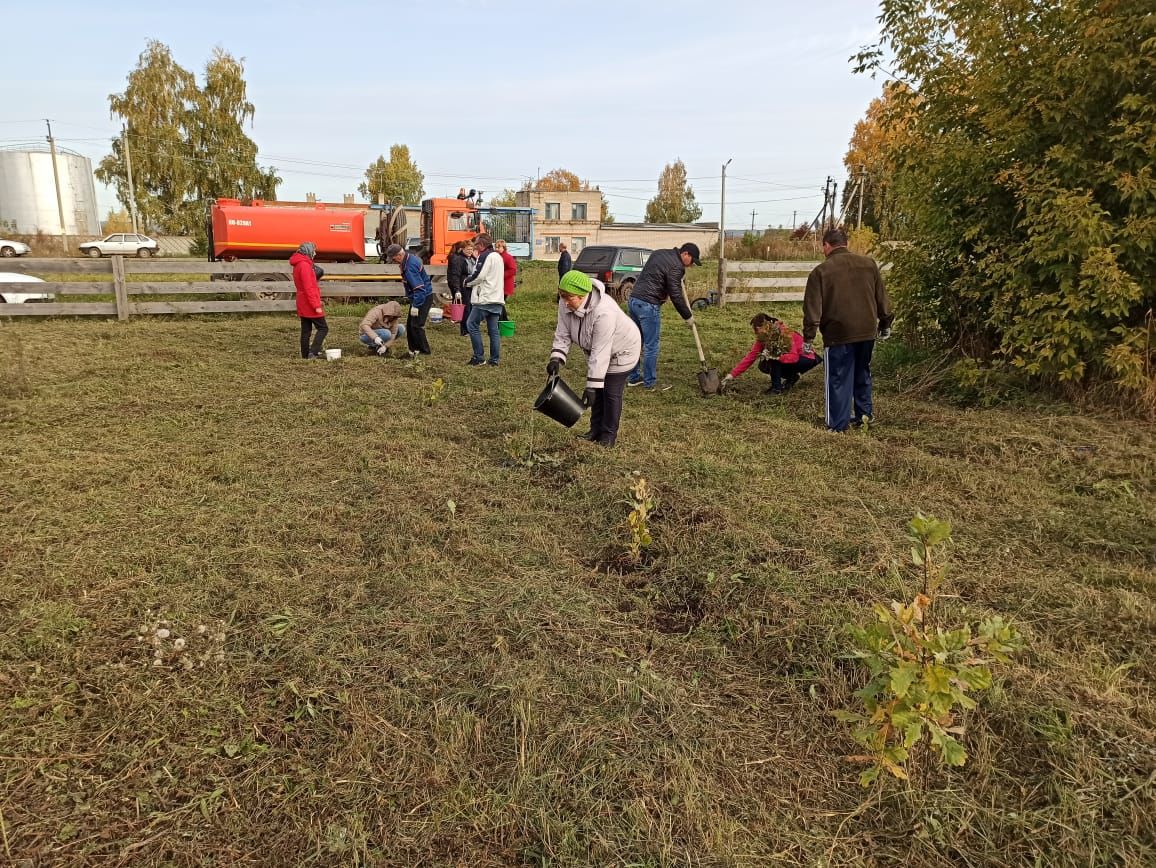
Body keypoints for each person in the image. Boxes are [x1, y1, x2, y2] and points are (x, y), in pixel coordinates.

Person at [803, 228, 894, 432]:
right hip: (867, 331)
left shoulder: (821, 272)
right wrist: (886, 323)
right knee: (862, 373)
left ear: (826, 245)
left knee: (837, 378)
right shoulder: (869, 264)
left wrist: (808, 338)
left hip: (838, 334)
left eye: (823, 247)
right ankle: (864, 416)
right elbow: (882, 298)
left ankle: (837, 424)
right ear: (846, 243)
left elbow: (812, 308)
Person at [547, 271, 642, 447]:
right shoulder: (565, 302)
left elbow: (601, 351)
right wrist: (556, 358)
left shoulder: (604, 311)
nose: (565, 302)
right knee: (597, 393)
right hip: (599, 352)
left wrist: (592, 385)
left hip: (623, 351)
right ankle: (594, 430)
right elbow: (563, 332)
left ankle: (608, 436)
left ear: (583, 295)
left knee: (610, 393)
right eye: (562, 296)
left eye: (569, 298)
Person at [626, 242, 701, 392]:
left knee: (635, 341)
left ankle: (633, 378)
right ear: (685, 254)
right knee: (651, 345)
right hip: (648, 305)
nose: (691, 265)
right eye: (692, 261)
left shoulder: (659, 252)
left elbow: (655, 276)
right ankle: (650, 383)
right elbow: (675, 295)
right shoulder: (677, 266)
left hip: (634, 300)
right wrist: (687, 316)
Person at [721, 313, 819, 394]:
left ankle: (776, 389)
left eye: (757, 329)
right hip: (792, 359)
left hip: (807, 359)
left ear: (766, 325)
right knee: (763, 364)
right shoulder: (763, 338)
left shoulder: (783, 333)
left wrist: (776, 357)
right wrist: (731, 375)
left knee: (772, 359)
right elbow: (750, 357)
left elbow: (794, 357)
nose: (756, 333)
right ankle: (792, 377)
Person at [384, 242, 434, 358]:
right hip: (419, 296)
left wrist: (416, 305)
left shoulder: (409, 267)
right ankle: (413, 350)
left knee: (416, 325)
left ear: (399, 255)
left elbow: (419, 289)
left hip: (422, 297)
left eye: (393, 258)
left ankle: (424, 351)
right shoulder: (409, 259)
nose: (393, 261)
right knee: (411, 324)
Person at [463, 233, 504, 366]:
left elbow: (479, 275)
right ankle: (494, 359)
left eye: (476, 245)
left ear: (481, 245)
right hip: (497, 298)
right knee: (494, 330)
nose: (475, 248)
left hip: (485, 298)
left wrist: (466, 282)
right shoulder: (498, 256)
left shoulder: (485, 256)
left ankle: (479, 357)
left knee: (471, 324)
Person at [291, 241, 327, 359]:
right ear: (308, 251)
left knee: (306, 330)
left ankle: (305, 354)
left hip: (302, 301)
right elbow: (309, 288)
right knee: (323, 328)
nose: (315, 253)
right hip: (309, 302)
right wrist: (316, 305)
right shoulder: (305, 266)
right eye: (314, 251)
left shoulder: (298, 264)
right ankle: (314, 352)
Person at [446, 240, 473, 337]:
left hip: (470, 286)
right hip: (463, 286)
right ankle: (465, 330)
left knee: (470, 307)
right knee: (466, 308)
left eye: (471, 249)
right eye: (468, 249)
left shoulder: (471, 259)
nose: (470, 251)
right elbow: (455, 275)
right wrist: (457, 289)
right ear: (462, 249)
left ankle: (470, 327)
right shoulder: (459, 259)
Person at [493, 238, 517, 321]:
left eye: (499, 247)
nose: (497, 249)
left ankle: (502, 321)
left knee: (499, 304)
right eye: (496, 247)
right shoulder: (497, 256)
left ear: (504, 247)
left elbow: (513, 270)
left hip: (505, 284)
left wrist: (500, 275)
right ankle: (504, 321)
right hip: (500, 284)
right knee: (500, 304)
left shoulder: (508, 257)